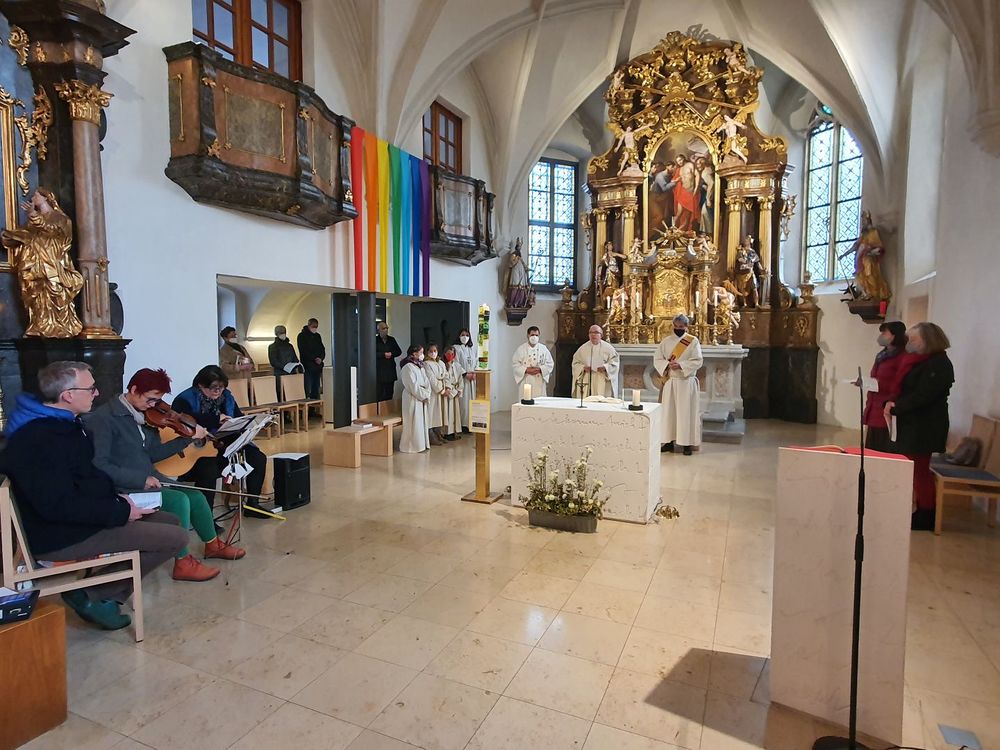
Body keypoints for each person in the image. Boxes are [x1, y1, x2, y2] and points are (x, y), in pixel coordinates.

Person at [0, 362, 187, 630]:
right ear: (68, 395)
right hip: (61, 535)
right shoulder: (39, 439)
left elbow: (86, 480)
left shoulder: (62, 425)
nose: (97, 393)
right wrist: (120, 511)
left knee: (170, 521)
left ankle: (101, 591)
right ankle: (92, 595)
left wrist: (120, 501)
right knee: (177, 538)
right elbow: (57, 506)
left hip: (81, 519)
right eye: (90, 388)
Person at [85, 368, 246, 582]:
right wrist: (140, 480)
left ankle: (213, 544)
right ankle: (183, 561)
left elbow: (153, 454)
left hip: (150, 478)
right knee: (179, 500)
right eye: (151, 399)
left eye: (157, 400)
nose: (154, 405)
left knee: (196, 496)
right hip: (123, 487)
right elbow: (99, 465)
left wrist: (187, 438)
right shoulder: (104, 419)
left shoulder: (144, 418)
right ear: (134, 389)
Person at [884, 322, 955, 531]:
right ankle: (921, 508)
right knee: (916, 469)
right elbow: (907, 389)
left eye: (914, 339)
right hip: (915, 423)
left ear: (928, 340)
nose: (910, 343)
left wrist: (897, 408)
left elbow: (923, 396)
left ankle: (927, 515)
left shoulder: (939, 364)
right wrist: (891, 402)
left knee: (920, 470)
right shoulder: (921, 360)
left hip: (926, 425)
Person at [172, 366, 268, 512]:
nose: (217, 391)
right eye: (213, 388)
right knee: (209, 470)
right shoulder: (185, 399)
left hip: (225, 445)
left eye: (221, 387)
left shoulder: (227, 397)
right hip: (197, 451)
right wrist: (216, 419)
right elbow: (182, 421)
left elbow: (238, 418)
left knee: (258, 458)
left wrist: (252, 424)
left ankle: (252, 505)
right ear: (200, 385)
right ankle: (206, 516)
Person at [653, 314, 704, 455]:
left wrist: (681, 365)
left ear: (686, 327)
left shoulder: (692, 341)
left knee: (685, 414)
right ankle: (668, 442)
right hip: (671, 382)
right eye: (675, 326)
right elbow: (657, 358)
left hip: (686, 383)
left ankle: (686, 444)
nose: (678, 329)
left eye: (681, 327)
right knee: (669, 413)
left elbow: (698, 360)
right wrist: (667, 364)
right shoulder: (666, 341)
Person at [859, 321, 907, 452]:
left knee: (883, 446)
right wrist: (865, 382)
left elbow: (899, 381)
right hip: (874, 404)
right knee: (871, 448)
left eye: (885, 333)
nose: (881, 336)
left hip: (886, 406)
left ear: (894, 335)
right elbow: (877, 376)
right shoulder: (882, 355)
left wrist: (878, 385)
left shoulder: (902, 356)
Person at [571, 325, 620, 398]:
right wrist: (583, 368)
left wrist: (605, 368)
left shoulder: (609, 348)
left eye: (596, 332)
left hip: (602, 378)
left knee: (601, 400)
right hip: (587, 379)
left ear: (601, 335)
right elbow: (575, 363)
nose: (593, 334)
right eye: (591, 332)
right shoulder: (582, 349)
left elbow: (615, 364)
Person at [399, 345, 431, 453]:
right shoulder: (407, 367)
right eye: (421, 352)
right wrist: (423, 395)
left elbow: (427, 382)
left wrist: (426, 394)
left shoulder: (420, 366)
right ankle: (410, 446)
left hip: (421, 397)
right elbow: (412, 385)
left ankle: (421, 444)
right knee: (412, 423)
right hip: (412, 397)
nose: (422, 355)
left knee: (420, 423)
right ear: (414, 353)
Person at [512, 326, 554, 400]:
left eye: (536, 335)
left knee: (540, 402)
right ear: (528, 335)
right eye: (532, 335)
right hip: (526, 380)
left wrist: (540, 369)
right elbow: (515, 364)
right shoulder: (521, 349)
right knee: (526, 401)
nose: (534, 337)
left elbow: (550, 364)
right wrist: (526, 370)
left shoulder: (543, 349)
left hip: (539, 380)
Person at [423, 343, 446, 446]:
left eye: (435, 351)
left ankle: (438, 432)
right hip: (433, 391)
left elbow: (445, 375)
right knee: (431, 413)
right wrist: (440, 389)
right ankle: (430, 434)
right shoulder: (426, 364)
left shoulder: (440, 362)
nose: (433, 353)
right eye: (431, 351)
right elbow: (431, 378)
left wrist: (445, 387)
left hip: (441, 390)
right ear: (427, 352)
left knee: (438, 414)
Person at [297, 318, 326, 399]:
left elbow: (322, 349)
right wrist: (314, 359)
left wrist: (321, 358)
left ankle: (315, 403)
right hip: (308, 365)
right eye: (313, 326)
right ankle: (308, 404)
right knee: (308, 387)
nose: (315, 328)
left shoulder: (317, 336)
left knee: (316, 387)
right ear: (309, 325)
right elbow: (303, 350)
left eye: (316, 327)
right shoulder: (301, 336)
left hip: (317, 366)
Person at [455, 328, 478, 433]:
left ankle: (471, 424)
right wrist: (465, 374)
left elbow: (476, 361)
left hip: (472, 379)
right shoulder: (456, 348)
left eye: (467, 335)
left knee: (472, 402)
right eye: (462, 335)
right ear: (459, 336)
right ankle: (463, 425)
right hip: (462, 379)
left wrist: (475, 372)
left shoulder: (471, 349)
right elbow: (456, 363)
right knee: (463, 403)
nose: (465, 337)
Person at [440, 345, 464, 441]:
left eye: (452, 354)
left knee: (455, 413)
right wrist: (450, 389)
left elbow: (460, 378)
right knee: (447, 412)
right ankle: (446, 432)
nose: (450, 355)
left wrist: (459, 390)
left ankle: (455, 431)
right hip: (448, 391)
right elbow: (445, 379)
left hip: (455, 389)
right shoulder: (442, 365)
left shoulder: (457, 365)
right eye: (448, 353)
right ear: (445, 354)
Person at [375, 321, 402, 402]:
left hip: (390, 369)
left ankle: (388, 407)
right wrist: (383, 354)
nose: (386, 330)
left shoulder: (391, 339)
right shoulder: (375, 340)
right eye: (383, 328)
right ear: (378, 330)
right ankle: (379, 408)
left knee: (389, 392)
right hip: (379, 370)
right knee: (379, 393)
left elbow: (398, 351)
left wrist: (391, 354)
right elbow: (371, 353)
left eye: (387, 328)